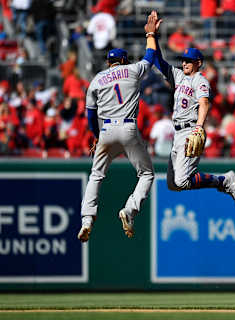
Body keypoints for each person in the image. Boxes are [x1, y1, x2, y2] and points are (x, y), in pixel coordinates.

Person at [77, 11, 160, 242]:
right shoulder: (133, 71)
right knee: (146, 174)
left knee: (96, 175)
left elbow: (90, 114)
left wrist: (95, 136)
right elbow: (151, 55)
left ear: (108, 63)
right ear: (124, 60)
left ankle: (86, 219)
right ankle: (130, 210)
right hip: (128, 128)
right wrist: (150, 33)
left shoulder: (96, 79)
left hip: (105, 131)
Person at [151, 13, 235, 203]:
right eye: (183, 60)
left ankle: (224, 180)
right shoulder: (179, 76)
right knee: (173, 185)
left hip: (191, 130)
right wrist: (152, 36)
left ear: (198, 63)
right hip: (178, 133)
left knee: (182, 181)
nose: (184, 63)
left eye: (189, 61)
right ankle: (223, 181)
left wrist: (199, 127)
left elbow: (204, 103)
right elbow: (158, 61)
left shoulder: (200, 80)